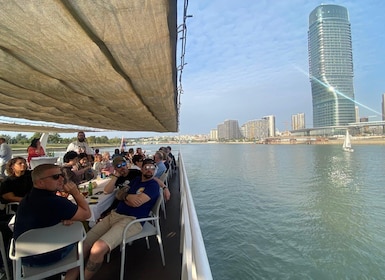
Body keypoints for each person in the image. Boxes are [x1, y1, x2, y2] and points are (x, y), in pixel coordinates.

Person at [66, 159, 160, 280]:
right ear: (141, 169)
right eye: (147, 167)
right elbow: (118, 194)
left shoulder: (152, 185)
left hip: (131, 220)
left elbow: (136, 202)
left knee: (97, 249)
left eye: (152, 168)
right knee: (83, 245)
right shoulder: (136, 180)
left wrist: (124, 196)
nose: (149, 170)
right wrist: (127, 196)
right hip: (114, 215)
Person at [13, 164, 91, 269]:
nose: (62, 179)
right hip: (47, 255)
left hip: (24, 256)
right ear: (40, 182)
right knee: (84, 243)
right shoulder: (57, 202)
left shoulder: (27, 199)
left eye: (61, 175)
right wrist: (75, 193)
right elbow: (86, 214)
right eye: (55, 177)